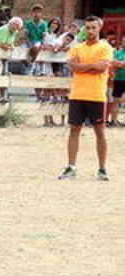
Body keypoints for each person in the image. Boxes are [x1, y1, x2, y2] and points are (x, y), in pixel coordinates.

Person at [59, 16, 112, 181]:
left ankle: (102, 169)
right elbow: (73, 67)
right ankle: (71, 167)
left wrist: (82, 67)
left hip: (96, 95)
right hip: (77, 95)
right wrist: (92, 65)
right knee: (74, 130)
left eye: (93, 27)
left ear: (99, 28)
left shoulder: (105, 47)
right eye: (87, 28)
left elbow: (102, 68)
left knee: (99, 132)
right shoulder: (77, 48)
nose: (90, 30)